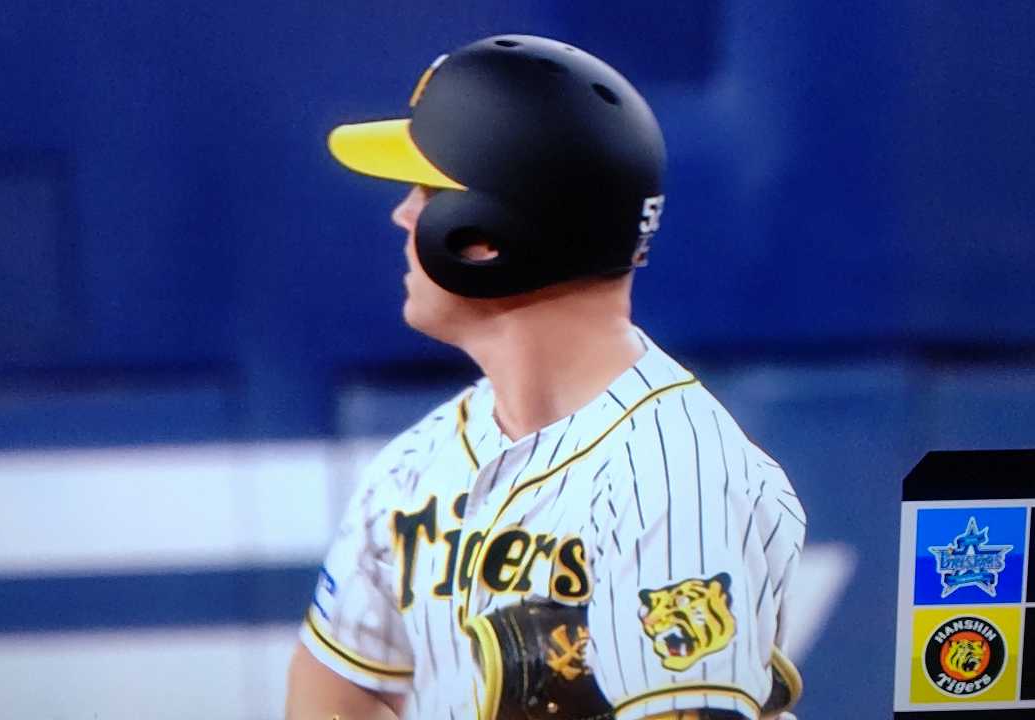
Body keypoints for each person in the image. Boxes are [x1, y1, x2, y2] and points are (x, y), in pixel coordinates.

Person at [285, 34, 806, 720]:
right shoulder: (415, 465)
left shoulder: (675, 480)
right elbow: (331, 690)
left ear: (485, 236)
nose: (402, 214)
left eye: (426, 190)